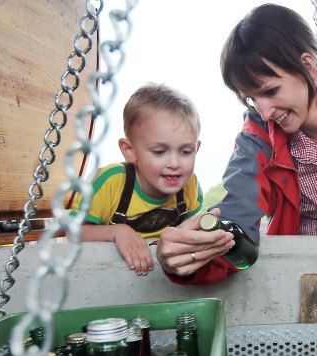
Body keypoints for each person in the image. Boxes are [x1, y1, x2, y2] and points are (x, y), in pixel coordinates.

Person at [156, 3, 317, 285]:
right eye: (254, 98)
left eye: (270, 91)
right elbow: (239, 211)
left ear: (308, 65)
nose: (265, 112)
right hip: (296, 271)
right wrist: (192, 253)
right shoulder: (257, 136)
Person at [69, 83, 216, 276]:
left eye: (185, 151)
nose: (174, 163)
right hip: (109, 276)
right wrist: (117, 232)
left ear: (196, 149)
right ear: (130, 151)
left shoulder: (189, 185)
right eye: (159, 151)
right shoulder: (109, 182)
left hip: (166, 277)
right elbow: (73, 233)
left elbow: (191, 230)